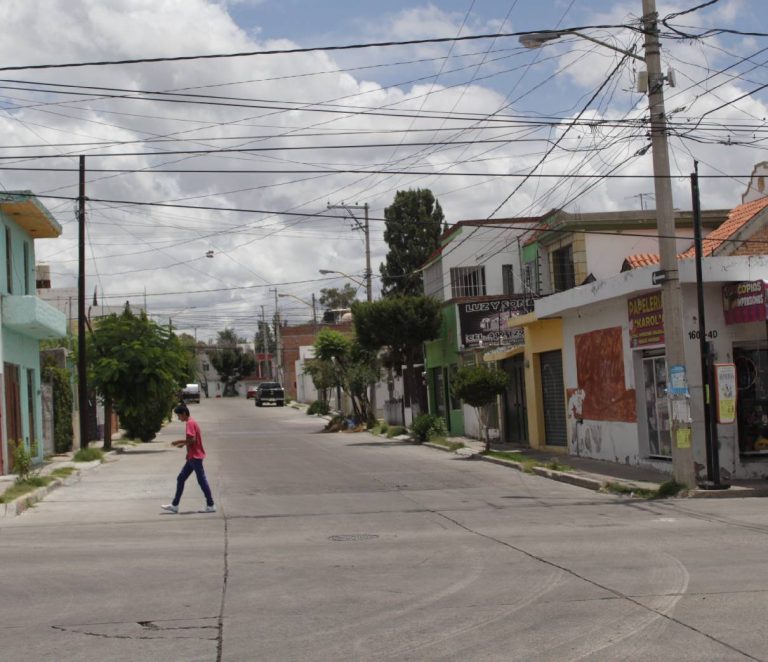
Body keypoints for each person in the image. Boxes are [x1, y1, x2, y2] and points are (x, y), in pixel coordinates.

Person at [162, 404, 216, 514]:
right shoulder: (191, 422)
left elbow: (192, 440)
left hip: (195, 457)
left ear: (184, 414)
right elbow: (191, 440)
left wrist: (179, 442)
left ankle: (210, 505)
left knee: (201, 481)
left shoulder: (190, 423)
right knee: (181, 478)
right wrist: (183, 444)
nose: (178, 418)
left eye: (179, 415)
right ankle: (175, 505)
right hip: (192, 457)